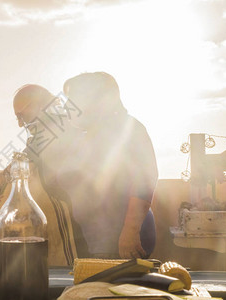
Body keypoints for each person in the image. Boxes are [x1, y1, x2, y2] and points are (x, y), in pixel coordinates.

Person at [58, 71, 158, 259]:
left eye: (73, 99)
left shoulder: (128, 128)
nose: (67, 106)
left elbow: (145, 180)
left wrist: (130, 232)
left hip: (119, 239)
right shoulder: (84, 136)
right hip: (94, 239)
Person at [0, 84, 81, 266]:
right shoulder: (49, 125)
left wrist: (0, 180)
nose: (20, 123)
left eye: (21, 115)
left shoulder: (55, 124)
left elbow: (27, 158)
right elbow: (27, 162)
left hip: (74, 215)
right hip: (67, 213)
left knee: (71, 273)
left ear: (37, 105)